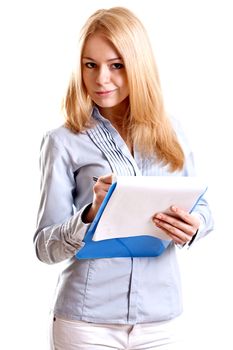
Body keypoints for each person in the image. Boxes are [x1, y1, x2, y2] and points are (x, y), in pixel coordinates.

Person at [33, 6, 214, 350]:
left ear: (138, 66)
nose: (101, 78)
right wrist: (89, 214)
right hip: (86, 325)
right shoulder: (62, 141)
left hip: (162, 323)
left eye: (116, 65)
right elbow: (45, 247)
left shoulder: (172, 132)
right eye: (90, 65)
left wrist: (194, 225)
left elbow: (204, 209)